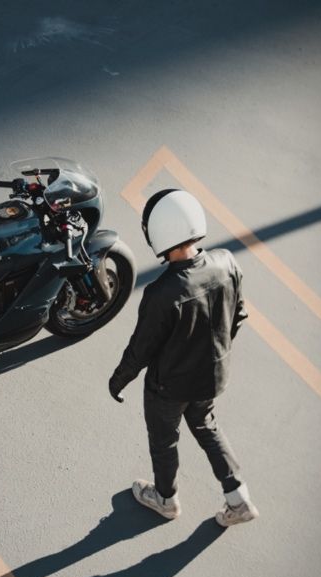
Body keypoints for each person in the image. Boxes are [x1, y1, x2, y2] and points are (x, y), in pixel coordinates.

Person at [108, 189, 259, 527]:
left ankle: (165, 499)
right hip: (210, 377)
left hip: (168, 388)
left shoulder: (162, 292)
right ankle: (239, 498)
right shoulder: (226, 262)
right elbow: (238, 316)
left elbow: (141, 348)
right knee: (207, 426)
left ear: (158, 233)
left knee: (164, 441)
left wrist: (118, 380)